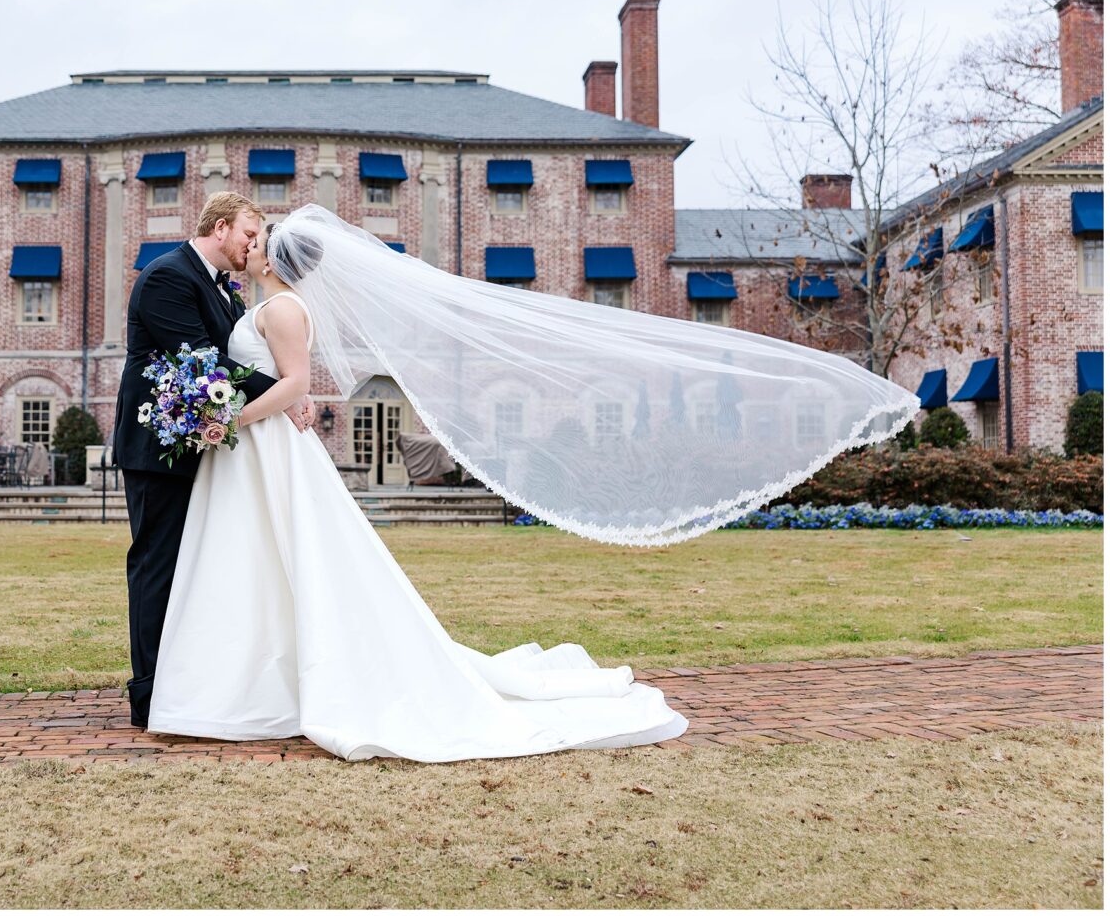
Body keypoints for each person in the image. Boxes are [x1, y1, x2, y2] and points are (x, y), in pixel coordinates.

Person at [146, 203, 922, 762]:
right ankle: (252, 679)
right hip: (260, 459)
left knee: (296, 565)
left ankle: (265, 684)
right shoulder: (264, 300)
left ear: (278, 258)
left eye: (259, 241)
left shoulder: (281, 311)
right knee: (269, 567)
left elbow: (289, 385)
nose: (249, 248)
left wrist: (230, 420)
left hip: (261, 450)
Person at [112, 191, 314, 730]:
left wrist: (290, 388)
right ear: (221, 228)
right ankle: (149, 692)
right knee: (158, 564)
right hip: (159, 449)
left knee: (197, 569)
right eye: (250, 234)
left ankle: (191, 681)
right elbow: (202, 360)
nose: (254, 244)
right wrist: (288, 391)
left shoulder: (225, 289)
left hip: (204, 446)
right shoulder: (168, 277)